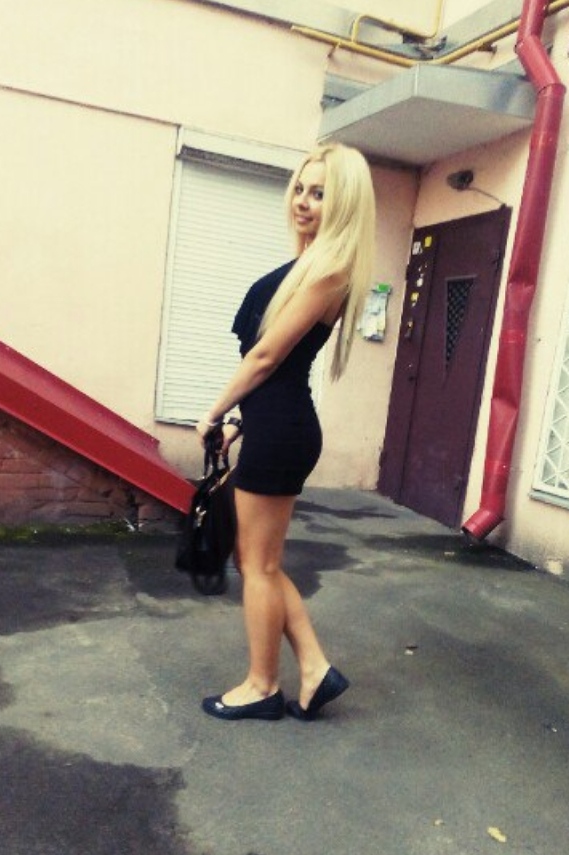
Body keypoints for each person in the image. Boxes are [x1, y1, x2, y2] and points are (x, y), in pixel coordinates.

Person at [195, 142, 376, 722]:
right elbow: (273, 370)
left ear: (343, 203)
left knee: (259, 565)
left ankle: (262, 685)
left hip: (285, 431)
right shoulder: (308, 265)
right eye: (300, 188)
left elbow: (268, 357)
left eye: (319, 193)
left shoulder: (331, 270)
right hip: (273, 425)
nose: (303, 200)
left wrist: (214, 411)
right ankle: (315, 669)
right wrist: (239, 422)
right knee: (257, 560)